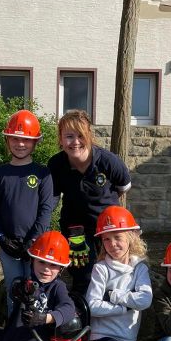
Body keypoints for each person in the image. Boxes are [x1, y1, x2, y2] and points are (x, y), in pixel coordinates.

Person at [48, 110, 131, 295]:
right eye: (69, 136)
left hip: (107, 228)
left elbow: (124, 186)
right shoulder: (56, 164)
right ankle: (81, 308)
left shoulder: (108, 161)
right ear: (61, 139)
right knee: (83, 274)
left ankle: (112, 307)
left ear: (89, 136)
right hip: (75, 228)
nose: (75, 142)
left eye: (80, 135)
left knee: (113, 270)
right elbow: (52, 197)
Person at [85, 206, 152, 341]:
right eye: (106, 239)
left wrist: (115, 296)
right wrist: (124, 307)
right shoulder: (101, 268)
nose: (112, 244)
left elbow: (145, 300)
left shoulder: (139, 267)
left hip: (127, 338)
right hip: (102, 336)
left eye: (118, 238)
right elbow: (92, 305)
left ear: (131, 237)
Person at [0, 110, 56, 317]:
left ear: (35, 142)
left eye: (26, 140)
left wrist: (33, 240)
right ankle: (14, 331)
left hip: (36, 248)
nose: (20, 144)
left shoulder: (43, 174)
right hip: (8, 246)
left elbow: (46, 210)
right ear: (7, 140)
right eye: (15, 139)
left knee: (35, 293)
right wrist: (1, 237)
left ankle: (34, 331)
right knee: (14, 292)